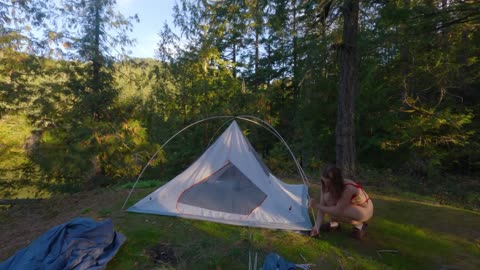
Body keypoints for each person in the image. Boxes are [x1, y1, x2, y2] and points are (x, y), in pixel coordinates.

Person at [309, 165, 373, 240]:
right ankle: (334, 223)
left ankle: (360, 225)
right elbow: (323, 207)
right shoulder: (326, 185)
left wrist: (316, 205)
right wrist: (316, 227)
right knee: (328, 201)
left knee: (338, 210)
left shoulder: (349, 188)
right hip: (350, 206)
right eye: (323, 181)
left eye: (328, 183)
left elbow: (337, 210)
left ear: (336, 182)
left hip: (365, 210)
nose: (326, 185)